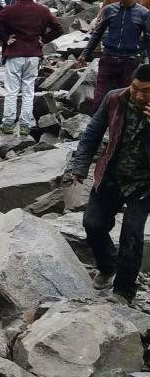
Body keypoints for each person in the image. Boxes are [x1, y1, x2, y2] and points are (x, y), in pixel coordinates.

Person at [70, 65, 150, 305]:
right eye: (135, 88)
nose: (138, 95)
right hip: (111, 174)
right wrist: (80, 166)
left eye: (145, 92)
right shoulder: (114, 98)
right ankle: (107, 266)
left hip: (143, 184)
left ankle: (123, 292)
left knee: (132, 237)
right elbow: (92, 133)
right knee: (92, 224)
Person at [0, 0, 64, 135]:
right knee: (28, 91)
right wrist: (44, 39)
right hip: (34, 54)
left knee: (11, 90)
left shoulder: (10, 10)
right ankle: (25, 125)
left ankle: (8, 123)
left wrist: (5, 37)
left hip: (14, 53)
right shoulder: (42, 10)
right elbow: (58, 28)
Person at [77, 0, 150, 111]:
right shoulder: (109, 10)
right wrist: (85, 53)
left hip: (129, 61)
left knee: (125, 98)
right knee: (100, 97)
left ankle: (118, 127)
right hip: (108, 59)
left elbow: (148, 38)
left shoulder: (144, 14)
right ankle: (96, 125)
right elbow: (97, 33)